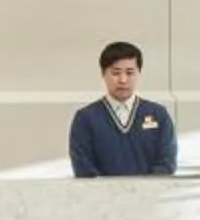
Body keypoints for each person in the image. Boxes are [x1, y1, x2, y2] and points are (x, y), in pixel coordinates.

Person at [69, 40, 178, 177]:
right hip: (101, 197)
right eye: (116, 73)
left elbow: (167, 163)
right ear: (103, 74)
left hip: (149, 196)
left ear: (139, 73)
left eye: (130, 72)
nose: (123, 80)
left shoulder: (158, 114)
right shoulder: (85, 118)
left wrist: (141, 191)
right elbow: (83, 167)